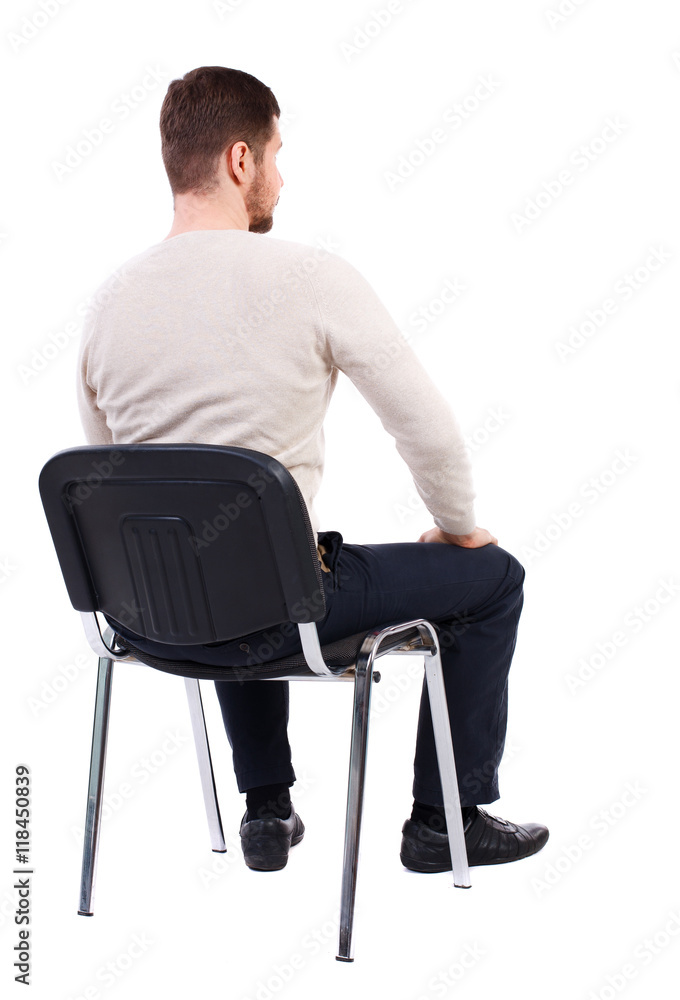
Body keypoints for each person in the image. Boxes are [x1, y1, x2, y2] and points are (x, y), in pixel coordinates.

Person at [76, 65, 548, 874]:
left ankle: (265, 807)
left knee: (218, 551)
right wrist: (458, 529)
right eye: (276, 154)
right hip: (279, 615)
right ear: (240, 160)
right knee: (494, 580)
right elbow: (426, 429)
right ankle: (445, 822)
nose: (281, 177)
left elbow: (110, 483)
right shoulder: (310, 278)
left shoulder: (106, 304)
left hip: (147, 621)